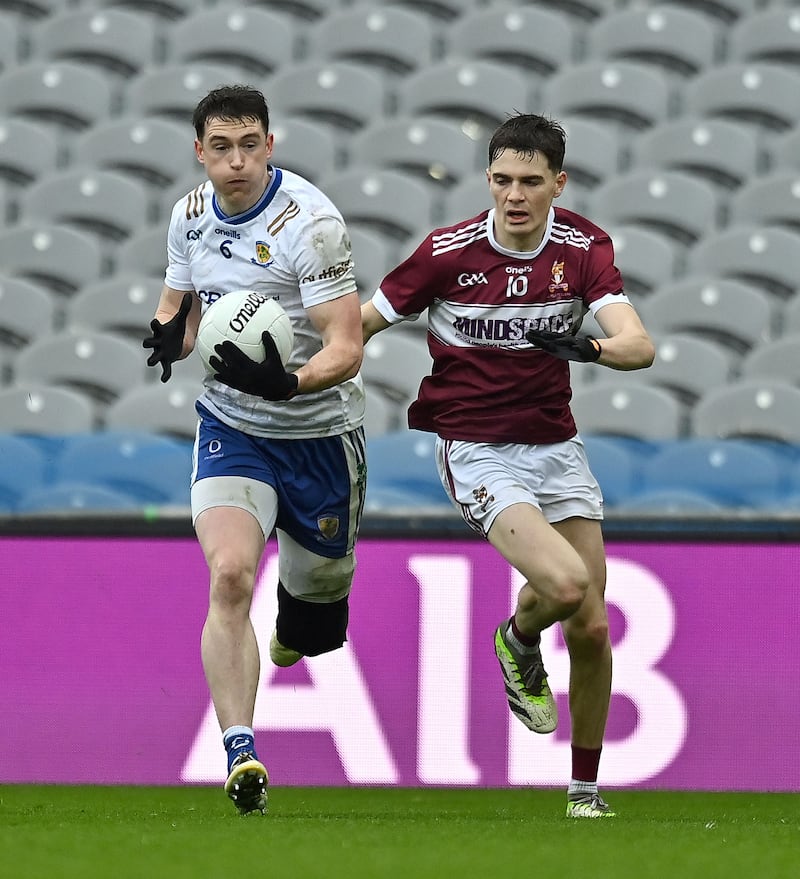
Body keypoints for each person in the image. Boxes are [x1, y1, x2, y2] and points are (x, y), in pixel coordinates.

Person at [361, 113, 655, 818]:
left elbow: (638, 345)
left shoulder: (583, 248)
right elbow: (361, 321)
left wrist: (587, 347)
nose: (514, 195)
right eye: (501, 180)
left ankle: (584, 791)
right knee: (564, 581)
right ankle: (517, 640)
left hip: (556, 447)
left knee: (588, 626)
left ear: (559, 182)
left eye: (530, 181)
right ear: (487, 180)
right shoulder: (446, 252)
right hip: (477, 446)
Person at [142, 85, 366, 815]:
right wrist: (166, 337)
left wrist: (290, 381)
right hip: (231, 426)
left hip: (318, 435)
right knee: (231, 573)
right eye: (220, 147)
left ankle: (297, 626)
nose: (235, 161)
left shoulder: (312, 224)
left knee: (315, 608)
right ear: (199, 151)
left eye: (249, 146)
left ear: (271, 145)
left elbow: (347, 345)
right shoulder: (191, 215)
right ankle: (240, 749)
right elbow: (178, 307)